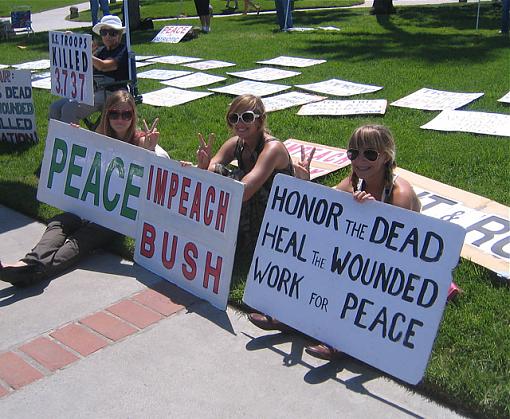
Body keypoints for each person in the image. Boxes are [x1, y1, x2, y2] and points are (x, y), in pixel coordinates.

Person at [248, 124, 424, 359]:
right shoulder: (355, 180)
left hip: (399, 267)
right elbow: (322, 209)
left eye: (369, 154)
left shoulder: (398, 193)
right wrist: (305, 183)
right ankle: (290, 314)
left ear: (386, 157)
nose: (360, 160)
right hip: (368, 255)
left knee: (348, 271)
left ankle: (339, 338)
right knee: (313, 253)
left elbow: (395, 249)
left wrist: (372, 212)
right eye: (354, 153)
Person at [0, 91, 168, 287]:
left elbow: (161, 172)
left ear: (133, 116)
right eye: (114, 114)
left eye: (126, 114)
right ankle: (31, 263)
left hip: (116, 215)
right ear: (106, 115)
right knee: (59, 222)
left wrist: (149, 151)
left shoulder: (141, 140)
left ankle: (33, 270)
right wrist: (74, 138)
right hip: (89, 205)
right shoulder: (99, 137)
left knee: (83, 240)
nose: (120, 119)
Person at [196, 94, 294, 259]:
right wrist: (202, 166)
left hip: (278, 216)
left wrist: (213, 174)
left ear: (259, 120)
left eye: (247, 117)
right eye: (234, 118)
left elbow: (245, 191)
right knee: (217, 175)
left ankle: (243, 242)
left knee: (236, 181)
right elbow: (208, 174)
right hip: (254, 205)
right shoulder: (237, 143)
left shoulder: (272, 148)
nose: (239, 123)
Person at [49, 15, 129, 124]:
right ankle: (55, 137)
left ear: (119, 35)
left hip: (112, 93)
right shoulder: (101, 51)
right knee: (55, 107)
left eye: (112, 33)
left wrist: (85, 52)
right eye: (104, 32)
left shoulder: (123, 51)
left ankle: (70, 138)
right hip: (93, 91)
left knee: (70, 108)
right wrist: (73, 43)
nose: (107, 36)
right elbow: (82, 67)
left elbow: (104, 66)